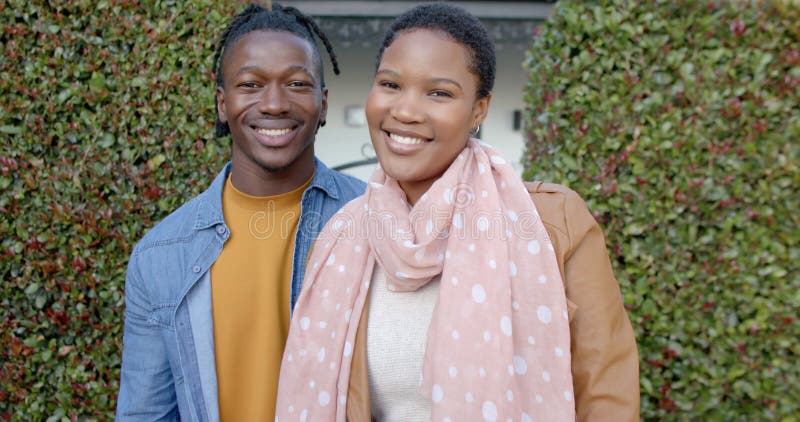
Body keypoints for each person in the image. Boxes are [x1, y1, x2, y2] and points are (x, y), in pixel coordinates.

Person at [276, 2, 639, 421]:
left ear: (479, 110)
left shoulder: (553, 223)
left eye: (440, 93)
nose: (406, 111)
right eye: (391, 85)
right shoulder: (341, 238)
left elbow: (607, 399)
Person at [116, 3, 365, 420]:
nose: (273, 104)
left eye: (297, 84)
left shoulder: (375, 221)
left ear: (323, 104)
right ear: (221, 102)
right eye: (250, 84)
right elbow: (146, 413)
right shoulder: (160, 256)